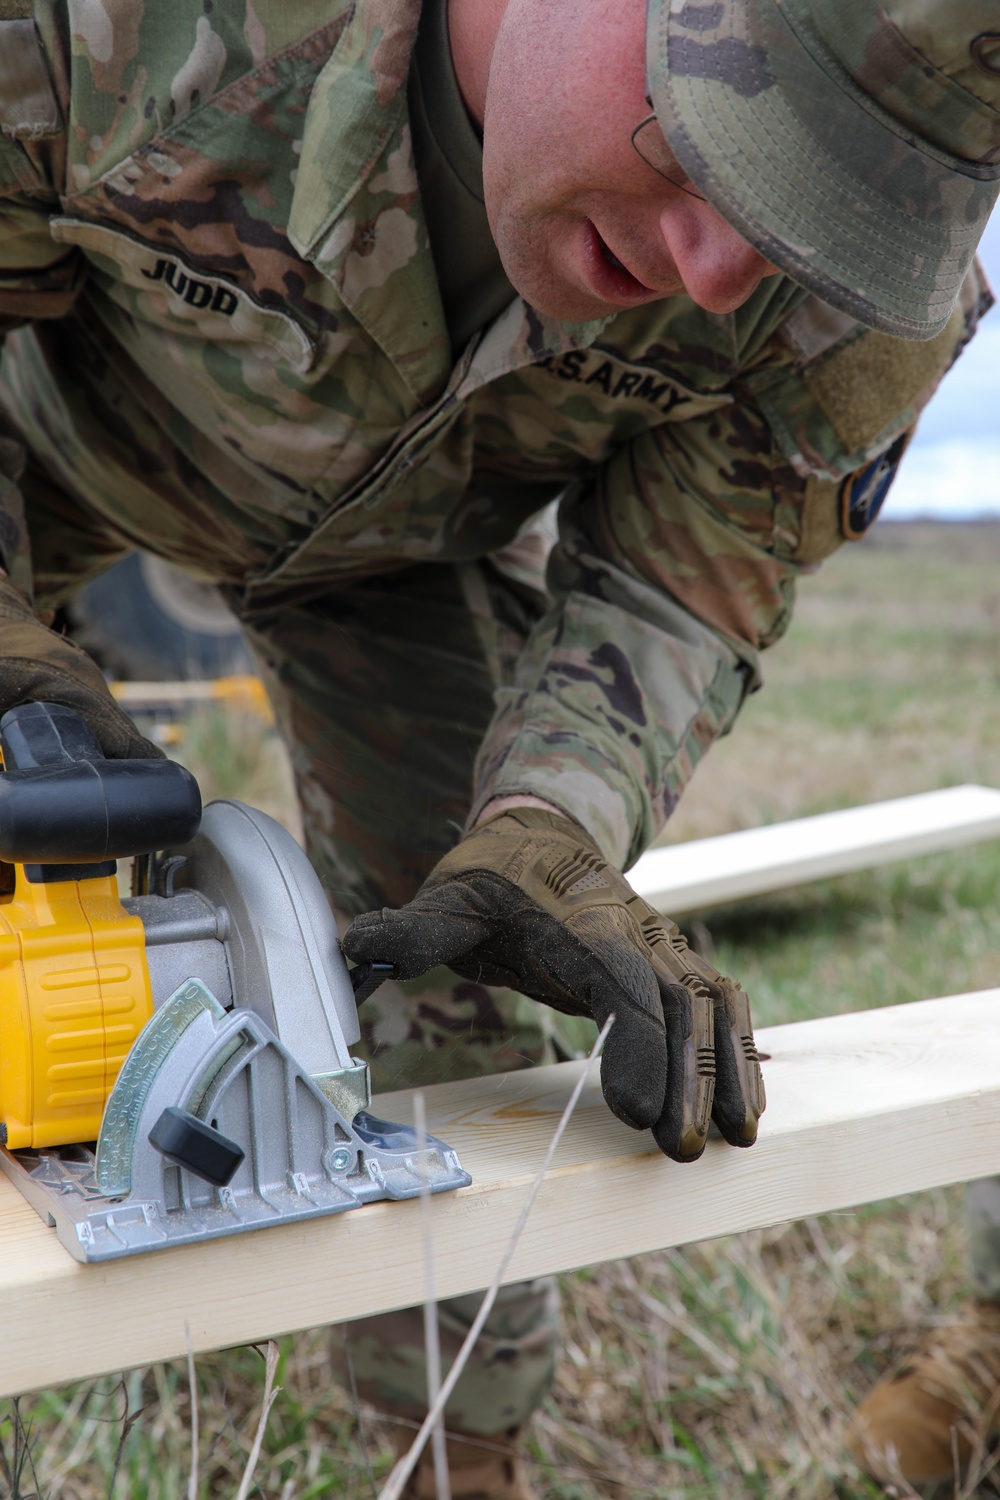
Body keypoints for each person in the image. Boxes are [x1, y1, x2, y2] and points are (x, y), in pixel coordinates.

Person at [0, 0, 997, 1493]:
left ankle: (453, 1454)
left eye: (808, 229)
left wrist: (555, 814)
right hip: (45, 453)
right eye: (716, 145)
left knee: (454, 1014)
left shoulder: (854, 313)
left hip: (396, 559)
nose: (719, 273)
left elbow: (679, 584)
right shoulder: (110, 29)